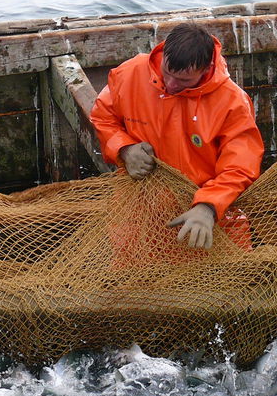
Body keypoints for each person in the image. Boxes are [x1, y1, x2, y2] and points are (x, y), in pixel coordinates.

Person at [90, 22, 264, 257]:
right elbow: (103, 117)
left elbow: (241, 166)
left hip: (205, 214)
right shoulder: (129, 73)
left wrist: (209, 206)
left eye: (183, 81)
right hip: (139, 209)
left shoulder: (232, 103)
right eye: (167, 73)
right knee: (136, 282)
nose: (170, 85)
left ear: (206, 69)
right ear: (163, 54)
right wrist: (124, 148)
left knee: (217, 284)